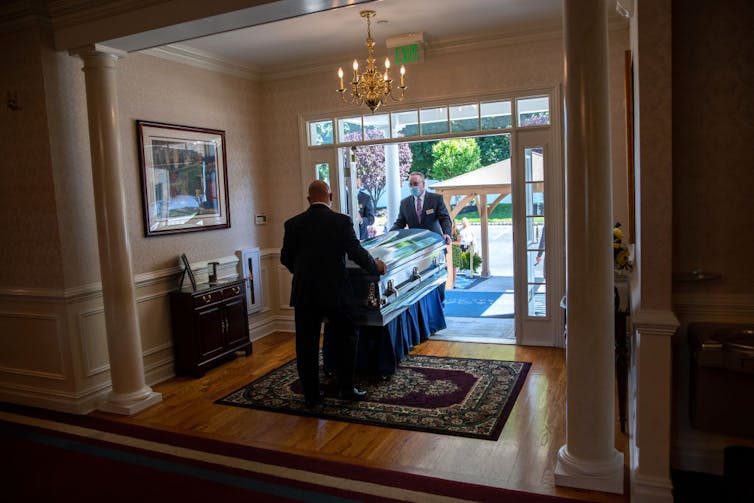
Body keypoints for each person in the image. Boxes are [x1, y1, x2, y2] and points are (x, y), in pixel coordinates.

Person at [281, 180, 386, 407]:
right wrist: (374, 266)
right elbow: (356, 252)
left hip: (304, 293)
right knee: (347, 338)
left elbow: (285, 258)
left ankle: (311, 396)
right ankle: (345, 389)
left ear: (309, 199)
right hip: (336, 292)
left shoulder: (293, 224)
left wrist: (301, 273)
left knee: (306, 345)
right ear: (330, 196)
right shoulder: (341, 221)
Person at [390, 172, 452, 243]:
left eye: (415, 184)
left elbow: (444, 218)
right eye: (410, 184)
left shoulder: (436, 199)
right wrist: (389, 235)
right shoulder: (405, 203)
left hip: (435, 244)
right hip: (416, 246)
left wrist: (447, 233)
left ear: (423, 184)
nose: (413, 187)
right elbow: (400, 223)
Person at [356, 176, 375, 240]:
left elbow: (371, 219)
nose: (358, 186)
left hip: (361, 237)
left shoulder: (365, 198)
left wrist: (361, 220)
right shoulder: (342, 197)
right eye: (356, 183)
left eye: (359, 184)